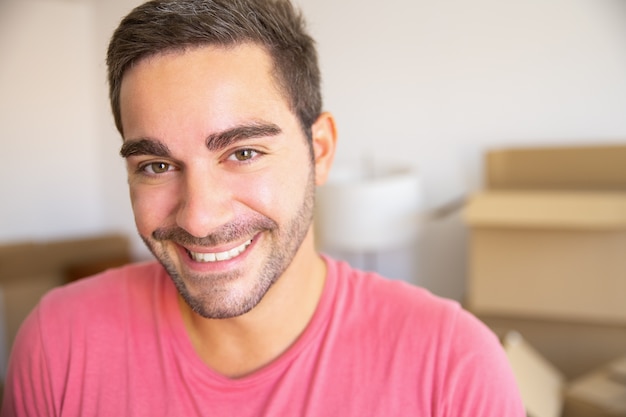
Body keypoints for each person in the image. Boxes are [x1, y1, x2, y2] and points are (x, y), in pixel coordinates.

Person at [2, 0, 525, 415]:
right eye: (156, 166)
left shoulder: (453, 368)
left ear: (319, 150)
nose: (198, 219)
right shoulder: (58, 345)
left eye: (243, 153)